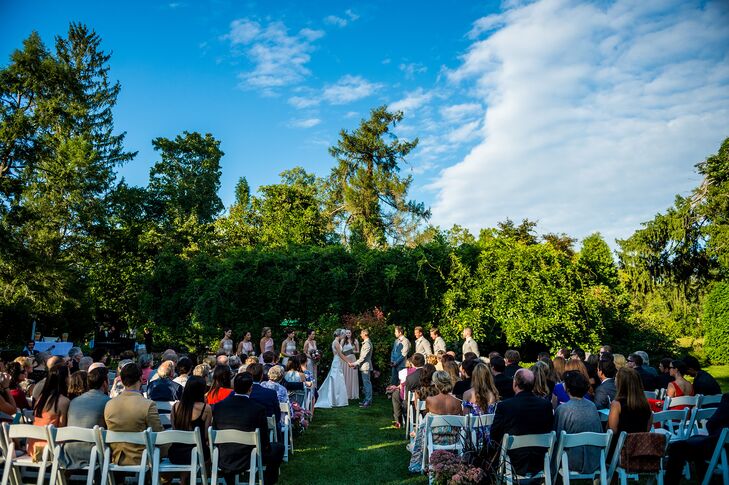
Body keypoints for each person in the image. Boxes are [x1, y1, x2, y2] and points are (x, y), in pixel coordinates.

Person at [212, 372, 284, 485]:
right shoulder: (258, 409)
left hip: (223, 454)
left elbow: (215, 429)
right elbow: (264, 440)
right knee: (279, 448)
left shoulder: (219, 406)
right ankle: (268, 482)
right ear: (250, 388)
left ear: (234, 387)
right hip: (249, 456)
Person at [490, 369, 554, 476]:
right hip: (539, 460)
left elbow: (494, 434)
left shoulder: (505, 406)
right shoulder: (546, 405)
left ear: (515, 383)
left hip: (513, 460)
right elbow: (549, 428)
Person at [104, 362, 164, 466]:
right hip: (142, 458)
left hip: (117, 458)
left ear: (121, 381)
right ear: (141, 379)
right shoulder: (148, 405)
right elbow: (158, 434)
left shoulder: (109, 404)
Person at [664, 392, 729, 485]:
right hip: (721, 447)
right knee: (696, 441)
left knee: (679, 447)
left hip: (721, 449)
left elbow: (711, 424)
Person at [409, 370, 463, 472]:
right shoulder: (457, 402)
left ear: (436, 384)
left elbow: (427, 416)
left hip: (434, 439)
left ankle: (423, 461)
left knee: (424, 425)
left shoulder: (430, 400)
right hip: (454, 439)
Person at [553, 371, 603, 474]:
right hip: (594, 459)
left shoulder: (563, 409)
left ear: (567, 388)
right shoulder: (592, 406)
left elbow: (556, 438)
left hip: (570, 461)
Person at [64, 366, 110, 469]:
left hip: (69, 451)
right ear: (105, 383)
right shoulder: (108, 402)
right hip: (94, 452)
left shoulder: (74, 401)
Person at [168, 376, 212, 470]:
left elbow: (174, 429)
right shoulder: (206, 408)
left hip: (176, 453)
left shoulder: (176, 406)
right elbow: (205, 436)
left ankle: (183, 480)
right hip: (197, 453)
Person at [29, 366, 70, 461]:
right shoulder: (63, 401)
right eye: (69, 375)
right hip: (48, 449)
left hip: (32, 447)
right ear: (65, 379)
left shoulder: (40, 399)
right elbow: (62, 429)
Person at [607, 367, 652, 438]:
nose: (614, 379)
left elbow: (613, 431)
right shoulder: (646, 403)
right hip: (640, 445)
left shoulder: (616, 404)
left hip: (621, 446)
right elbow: (648, 428)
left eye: (616, 377)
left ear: (621, 383)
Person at [463, 363, 498, 443]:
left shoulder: (467, 394)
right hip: (489, 436)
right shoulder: (493, 394)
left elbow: (466, 419)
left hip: (472, 438)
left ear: (474, 377)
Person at [314, 330, 349, 408]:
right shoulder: (336, 343)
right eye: (343, 334)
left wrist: (342, 340)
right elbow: (340, 354)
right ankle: (334, 400)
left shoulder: (337, 342)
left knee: (338, 380)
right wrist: (349, 362)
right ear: (339, 335)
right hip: (336, 362)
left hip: (337, 362)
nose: (344, 336)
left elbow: (340, 349)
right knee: (336, 380)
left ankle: (337, 400)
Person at [391, 353, 425, 428]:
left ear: (412, 363)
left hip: (414, 403)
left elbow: (406, 395)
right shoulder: (431, 373)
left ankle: (400, 422)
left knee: (397, 397)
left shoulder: (410, 377)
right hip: (430, 401)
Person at [350, 328, 373, 407]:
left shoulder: (367, 344)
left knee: (367, 384)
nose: (360, 335)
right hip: (363, 366)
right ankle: (366, 400)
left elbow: (363, 358)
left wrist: (354, 364)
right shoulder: (366, 343)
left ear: (365, 334)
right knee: (366, 384)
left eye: (361, 334)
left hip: (365, 367)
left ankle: (368, 401)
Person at [341, 330, 359, 400]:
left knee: (353, 376)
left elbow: (358, 351)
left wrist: (352, 351)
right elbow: (340, 351)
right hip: (345, 360)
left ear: (351, 334)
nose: (348, 334)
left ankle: (352, 394)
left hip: (353, 359)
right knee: (346, 375)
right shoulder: (343, 341)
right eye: (347, 333)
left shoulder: (355, 341)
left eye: (349, 333)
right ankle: (345, 394)